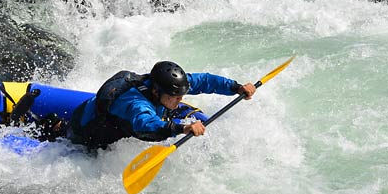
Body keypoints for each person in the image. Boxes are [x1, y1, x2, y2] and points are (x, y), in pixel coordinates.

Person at [66, 61, 256, 149]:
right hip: (86, 133)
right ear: (156, 92)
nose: (180, 99)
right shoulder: (136, 104)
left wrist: (236, 87)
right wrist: (182, 128)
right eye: (175, 97)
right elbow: (146, 124)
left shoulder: (167, 86)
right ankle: (55, 127)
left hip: (99, 111)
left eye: (181, 95)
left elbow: (204, 81)